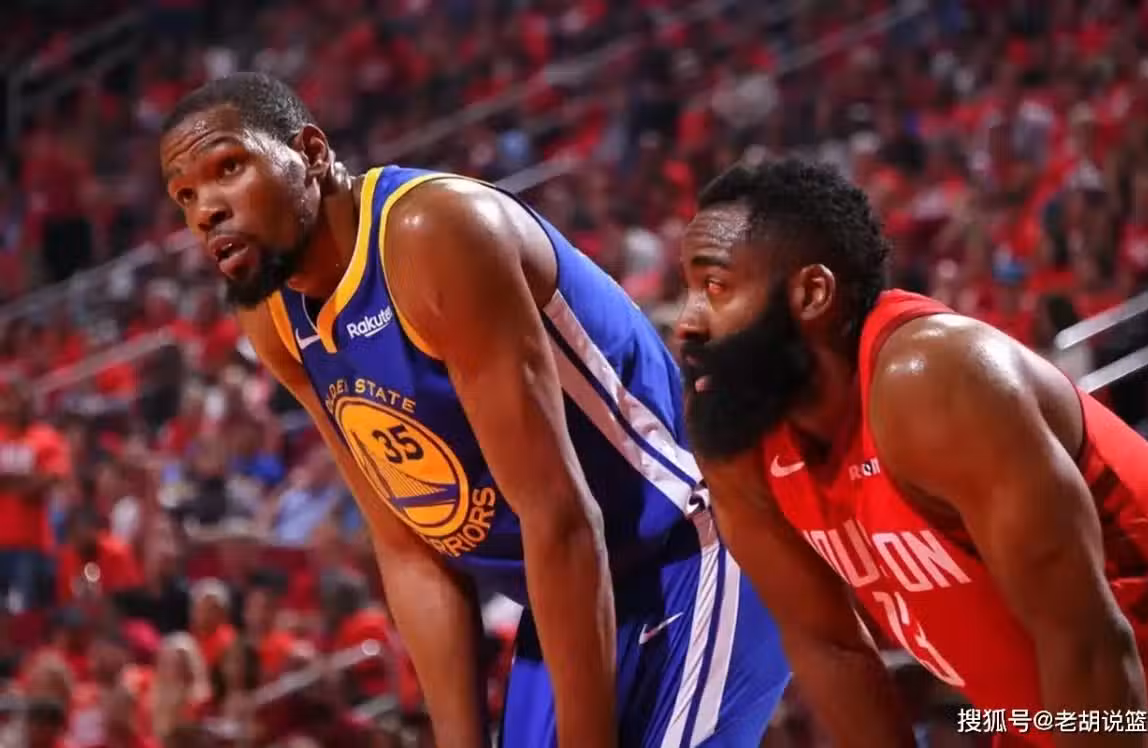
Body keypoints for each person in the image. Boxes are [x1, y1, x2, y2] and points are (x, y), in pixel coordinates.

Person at [158, 72, 787, 747]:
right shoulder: (275, 317)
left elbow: (560, 516)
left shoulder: (432, 234)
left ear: (311, 152)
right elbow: (409, 547)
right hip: (566, 598)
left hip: (693, 545)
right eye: (185, 195)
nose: (206, 210)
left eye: (228, 168)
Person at [675, 157, 1148, 748]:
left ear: (812, 294)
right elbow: (829, 647)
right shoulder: (737, 431)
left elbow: (1088, 643)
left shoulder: (931, 380)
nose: (686, 323)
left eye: (714, 287)